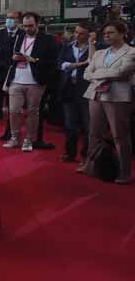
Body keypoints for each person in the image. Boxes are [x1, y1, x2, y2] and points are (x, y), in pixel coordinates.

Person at [79, 21, 135, 183]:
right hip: (95, 94)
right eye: (105, 34)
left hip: (118, 97)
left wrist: (98, 73)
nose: (107, 36)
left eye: (111, 33)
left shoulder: (131, 52)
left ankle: (124, 172)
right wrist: (101, 74)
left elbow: (121, 72)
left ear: (123, 33)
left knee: (120, 135)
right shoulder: (99, 53)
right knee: (93, 133)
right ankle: (91, 165)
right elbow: (86, 73)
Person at [3, 12, 57, 152]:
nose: (27, 28)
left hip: (35, 81)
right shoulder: (18, 37)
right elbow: (10, 56)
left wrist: (33, 60)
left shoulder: (47, 39)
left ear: (37, 24)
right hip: (16, 79)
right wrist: (15, 58)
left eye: (31, 26)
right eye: (25, 26)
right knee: (14, 110)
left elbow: (53, 61)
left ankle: (29, 139)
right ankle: (14, 137)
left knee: (33, 111)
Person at [58, 23, 94, 163]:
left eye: (82, 33)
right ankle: (69, 153)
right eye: (76, 32)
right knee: (69, 124)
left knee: (87, 125)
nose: (77, 35)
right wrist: (78, 64)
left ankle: (86, 154)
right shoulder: (67, 46)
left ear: (89, 34)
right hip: (68, 89)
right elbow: (61, 64)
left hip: (86, 89)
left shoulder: (96, 47)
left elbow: (92, 63)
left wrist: (92, 44)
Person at [0, 10, 24, 140]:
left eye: (13, 18)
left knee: (12, 106)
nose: (10, 20)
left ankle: (10, 131)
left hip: (16, 74)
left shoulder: (23, 35)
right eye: (8, 18)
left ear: (19, 21)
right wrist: (1, 67)